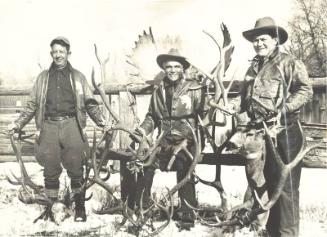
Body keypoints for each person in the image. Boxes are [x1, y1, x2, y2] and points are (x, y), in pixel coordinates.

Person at [229, 17, 312, 236]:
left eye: (263, 39)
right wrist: (234, 106)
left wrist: (283, 109)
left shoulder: (289, 62)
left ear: (275, 40)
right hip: (259, 134)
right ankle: (270, 231)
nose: (259, 44)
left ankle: (288, 233)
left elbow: (305, 90)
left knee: (287, 189)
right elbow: (244, 99)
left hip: (286, 132)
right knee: (266, 185)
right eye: (255, 40)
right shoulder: (253, 68)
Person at [7, 36, 106, 222]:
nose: (58, 55)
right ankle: (51, 208)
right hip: (48, 126)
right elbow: (32, 105)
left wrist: (101, 120)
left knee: (77, 166)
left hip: (72, 125)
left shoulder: (78, 77)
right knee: (50, 167)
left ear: (68, 53)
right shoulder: (43, 78)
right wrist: (18, 123)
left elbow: (90, 103)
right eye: (55, 52)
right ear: (51, 54)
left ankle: (80, 208)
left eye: (62, 51)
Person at [130, 48, 207, 229]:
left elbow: (204, 119)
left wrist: (193, 141)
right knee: (143, 163)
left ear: (182, 69)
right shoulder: (159, 91)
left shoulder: (195, 89)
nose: (172, 70)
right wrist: (142, 130)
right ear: (164, 69)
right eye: (169, 67)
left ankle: (187, 214)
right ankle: (143, 208)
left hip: (188, 141)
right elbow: (152, 117)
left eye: (176, 66)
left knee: (184, 163)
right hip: (164, 141)